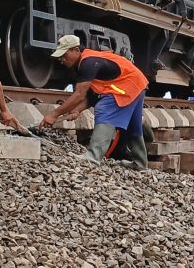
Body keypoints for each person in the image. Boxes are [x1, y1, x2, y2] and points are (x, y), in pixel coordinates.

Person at [40, 35, 149, 168]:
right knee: (133, 125)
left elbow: (79, 95)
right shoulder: (86, 61)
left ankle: (93, 157)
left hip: (127, 85)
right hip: (137, 83)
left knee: (104, 109)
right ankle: (140, 163)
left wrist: (53, 114)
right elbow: (93, 94)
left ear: (75, 50)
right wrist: (77, 110)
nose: (61, 59)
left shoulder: (88, 63)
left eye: (64, 55)